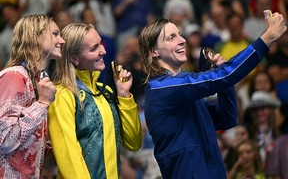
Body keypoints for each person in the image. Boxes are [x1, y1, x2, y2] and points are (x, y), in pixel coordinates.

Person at [138, 10, 287, 178]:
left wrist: (223, 84)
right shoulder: (160, 88)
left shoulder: (181, 92)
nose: (182, 41)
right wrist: (267, 38)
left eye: (179, 35)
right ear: (153, 51)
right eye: (171, 38)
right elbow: (226, 75)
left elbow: (227, 118)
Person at [48, 22, 142, 179]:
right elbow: (69, 159)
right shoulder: (63, 95)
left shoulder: (105, 92)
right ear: (74, 58)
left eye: (101, 44)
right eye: (94, 48)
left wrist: (124, 95)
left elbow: (133, 143)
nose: (103, 51)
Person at [0, 14, 65, 178]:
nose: (62, 40)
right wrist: (42, 104)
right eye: (55, 34)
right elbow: (5, 141)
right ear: (35, 36)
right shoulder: (14, 76)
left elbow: (27, 146)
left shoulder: (36, 80)